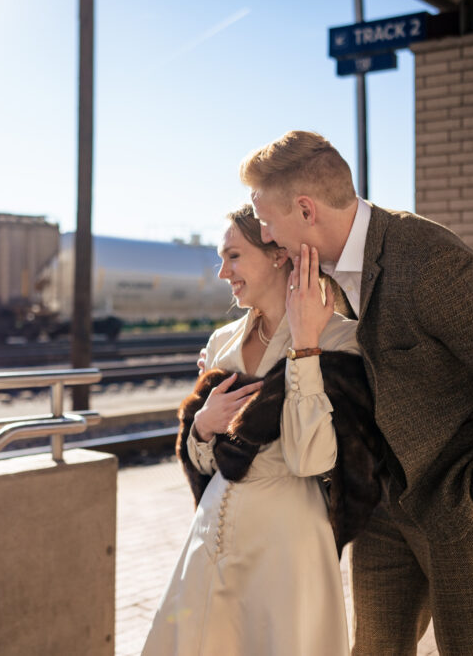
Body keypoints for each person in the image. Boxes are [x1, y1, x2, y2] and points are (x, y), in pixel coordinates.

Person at [242, 130, 473, 655]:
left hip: (461, 509)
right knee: (374, 649)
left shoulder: (429, 262)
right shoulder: (316, 271)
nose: (263, 233)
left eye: (265, 218)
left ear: (305, 209)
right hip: (383, 505)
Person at [142, 204, 361, 656]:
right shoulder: (220, 342)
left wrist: (305, 346)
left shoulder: (340, 339)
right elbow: (203, 457)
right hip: (210, 538)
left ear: (278, 255)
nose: (223, 272)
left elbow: (310, 458)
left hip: (287, 545)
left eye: (234, 256)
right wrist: (202, 427)